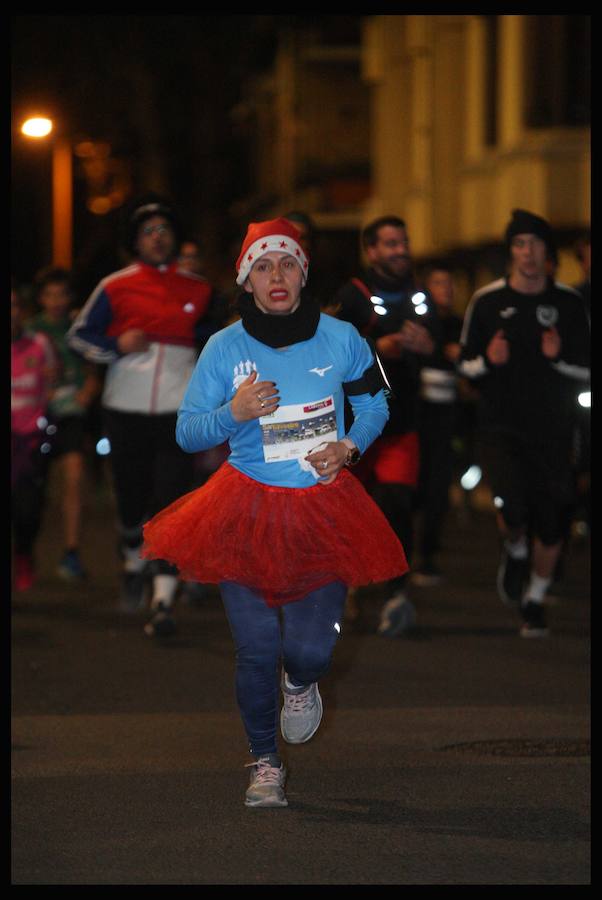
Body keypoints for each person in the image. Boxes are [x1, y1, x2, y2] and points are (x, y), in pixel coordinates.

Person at [141, 217, 408, 807]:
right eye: (263, 267)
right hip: (244, 507)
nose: (277, 276)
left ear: (303, 272)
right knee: (256, 646)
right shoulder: (224, 346)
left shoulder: (341, 338)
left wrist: (348, 448)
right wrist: (233, 412)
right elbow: (188, 432)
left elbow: (375, 403)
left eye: (287, 263)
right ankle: (264, 761)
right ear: (247, 280)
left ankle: (302, 682)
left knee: (309, 650)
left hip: (324, 506)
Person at [67, 193, 218, 636]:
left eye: (165, 231)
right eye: (148, 232)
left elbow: (222, 347)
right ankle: (133, 559)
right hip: (124, 409)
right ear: (135, 241)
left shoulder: (200, 290)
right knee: (132, 500)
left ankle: (163, 603)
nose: (158, 238)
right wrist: (116, 345)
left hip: (179, 412)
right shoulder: (115, 285)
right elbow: (79, 337)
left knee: (171, 502)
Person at [458, 209, 590, 638]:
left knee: (553, 518)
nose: (527, 253)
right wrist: (487, 361)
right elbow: (466, 365)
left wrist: (560, 358)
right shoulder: (488, 301)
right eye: (519, 244)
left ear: (547, 253)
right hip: (501, 426)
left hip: (554, 428)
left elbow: (587, 369)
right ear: (510, 251)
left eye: (535, 245)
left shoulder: (569, 304)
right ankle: (515, 546)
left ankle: (534, 600)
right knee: (513, 506)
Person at [333, 215, 439, 635]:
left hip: (403, 423)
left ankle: (397, 595)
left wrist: (427, 346)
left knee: (397, 504)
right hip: (356, 425)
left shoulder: (420, 295)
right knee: (347, 508)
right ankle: (346, 585)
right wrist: (379, 346)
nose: (400, 250)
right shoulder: (352, 295)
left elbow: (438, 344)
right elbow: (332, 348)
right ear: (371, 251)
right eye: (390, 243)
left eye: (404, 241)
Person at [28, 267, 103, 580]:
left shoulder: (79, 327)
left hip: (71, 414)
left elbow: (94, 369)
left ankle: (71, 552)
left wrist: (89, 390)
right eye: (50, 295)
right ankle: (25, 552)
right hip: (36, 416)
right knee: (33, 490)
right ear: (41, 298)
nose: (56, 301)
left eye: (62, 294)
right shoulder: (30, 330)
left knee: (74, 476)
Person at [412, 266, 464, 586]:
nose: (446, 288)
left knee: (439, 484)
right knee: (418, 482)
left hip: (451, 415)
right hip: (419, 414)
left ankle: (428, 552)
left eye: (450, 282)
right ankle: (411, 549)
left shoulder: (462, 324)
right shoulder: (420, 323)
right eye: (438, 282)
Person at [11, 282, 57, 591]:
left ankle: (24, 553)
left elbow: (51, 388)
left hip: (28, 442)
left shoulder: (40, 344)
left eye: (14, 304)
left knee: (27, 510)